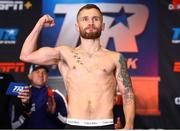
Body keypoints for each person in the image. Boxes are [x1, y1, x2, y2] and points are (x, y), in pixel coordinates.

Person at [19, 4, 135, 129]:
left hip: (104, 125)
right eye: (85, 19)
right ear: (77, 26)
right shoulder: (64, 53)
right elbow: (26, 55)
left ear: (102, 26)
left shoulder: (116, 58)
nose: (90, 23)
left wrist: (129, 125)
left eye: (95, 19)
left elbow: (127, 93)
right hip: (74, 125)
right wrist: (39, 24)